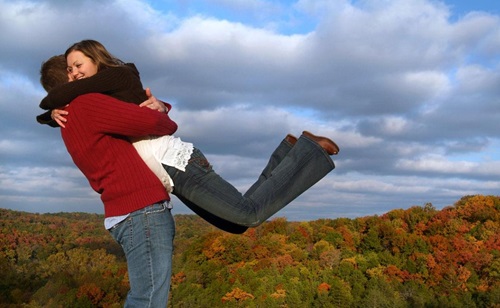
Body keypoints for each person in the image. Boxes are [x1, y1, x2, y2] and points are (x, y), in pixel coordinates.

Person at [37, 39, 340, 232]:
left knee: (248, 215)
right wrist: (52, 115)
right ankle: (287, 152)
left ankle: (310, 151)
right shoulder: (98, 96)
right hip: (170, 174)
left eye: (78, 66)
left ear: (96, 59)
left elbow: (76, 95)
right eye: (70, 69)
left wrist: (49, 106)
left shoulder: (112, 78)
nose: (75, 74)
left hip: (176, 163)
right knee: (236, 224)